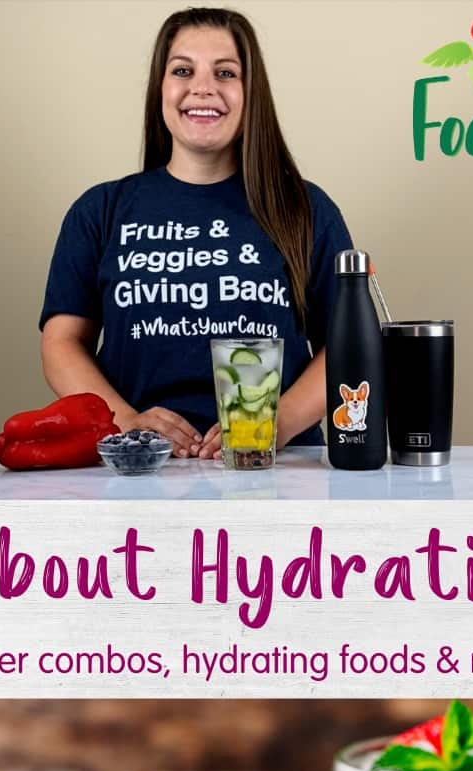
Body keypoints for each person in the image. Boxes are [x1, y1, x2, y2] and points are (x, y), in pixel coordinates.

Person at [39, 6, 352, 459]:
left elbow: (345, 346)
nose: (202, 87)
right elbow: (61, 342)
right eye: (182, 70)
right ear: (160, 88)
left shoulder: (306, 209)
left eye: (225, 72)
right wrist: (126, 423)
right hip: (138, 468)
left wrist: (276, 423)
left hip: (277, 469)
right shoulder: (100, 210)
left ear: (250, 92)